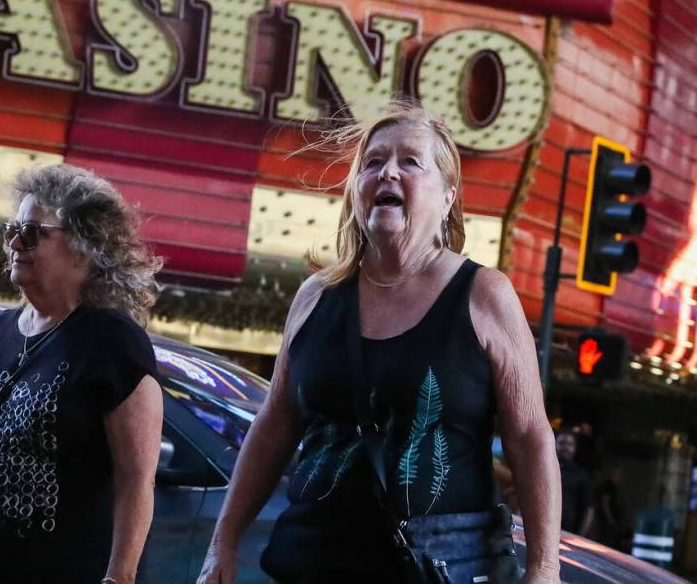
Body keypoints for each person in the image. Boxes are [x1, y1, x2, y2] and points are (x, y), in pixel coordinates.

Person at [197, 100, 561, 584]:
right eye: (373, 163)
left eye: (410, 161)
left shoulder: (483, 296)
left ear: (448, 196)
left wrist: (545, 568)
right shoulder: (317, 297)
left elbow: (530, 437)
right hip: (314, 564)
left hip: (433, 569)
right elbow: (274, 424)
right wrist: (222, 543)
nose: (387, 172)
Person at [0, 164, 163, 584]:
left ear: (84, 247)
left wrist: (119, 577)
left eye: (31, 232)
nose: (13, 243)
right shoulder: (2, 329)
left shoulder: (113, 341)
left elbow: (136, 480)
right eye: (11, 230)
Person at [556, 429, 594, 536]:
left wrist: (579, 537)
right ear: (554, 444)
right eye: (562, 443)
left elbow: (589, 510)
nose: (566, 448)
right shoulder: (544, 471)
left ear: (575, 448)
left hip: (568, 535)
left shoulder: (581, 475)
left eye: (570, 444)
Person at [595, 466, 627, 550]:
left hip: (611, 521)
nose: (620, 476)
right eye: (618, 474)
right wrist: (610, 519)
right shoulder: (608, 486)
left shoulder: (613, 486)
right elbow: (605, 502)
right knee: (606, 542)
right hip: (608, 522)